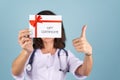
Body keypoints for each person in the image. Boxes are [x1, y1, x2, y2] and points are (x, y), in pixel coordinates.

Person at [11, 10, 93, 80]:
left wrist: (88, 54)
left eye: (50, 27)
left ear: (58, 29)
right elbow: (16, 73)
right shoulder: (29, 52)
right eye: (42, 27)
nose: (47, 31)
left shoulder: (65, 55)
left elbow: (84, 73)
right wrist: (26, 51)